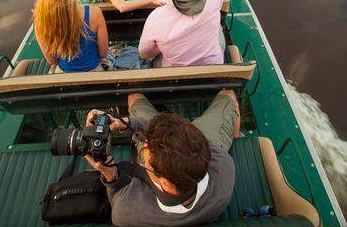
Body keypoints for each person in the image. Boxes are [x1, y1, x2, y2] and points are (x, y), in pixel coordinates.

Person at [84, 89, 241, 227]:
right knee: (228, 95)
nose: (143, 143)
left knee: (134, 97)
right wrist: (126, 124)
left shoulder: (128, 213)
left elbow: (117, 196)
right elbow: (186, 135)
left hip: (192, 140)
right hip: (198, 140)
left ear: (166, 183)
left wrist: (111, 177)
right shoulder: (223, 165)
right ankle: (238, 137)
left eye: (145, 149)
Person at [33, 0, 108, 72]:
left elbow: (52, 61)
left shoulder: (40, 19)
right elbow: (103, 54)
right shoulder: (94, 13)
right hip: (94, 71)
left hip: (64, 74)